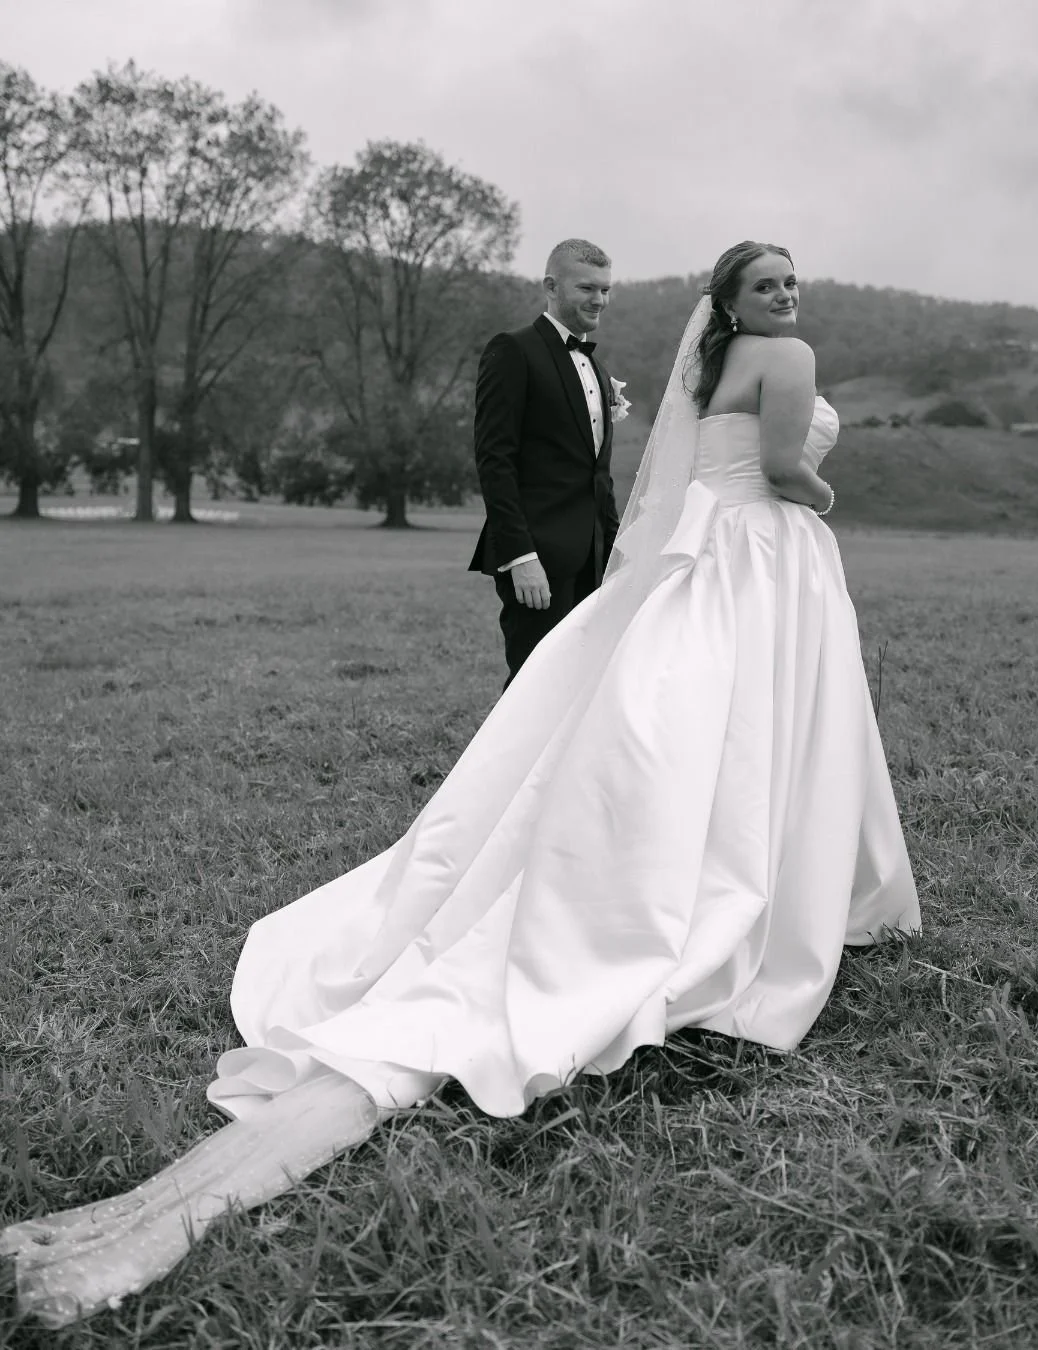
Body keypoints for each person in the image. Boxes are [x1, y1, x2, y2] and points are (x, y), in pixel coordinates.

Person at [1, 241, 920, 1328]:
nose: (786, 296)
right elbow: (782, 472)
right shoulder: (782, 356)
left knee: (675, 728)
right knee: (744, 730)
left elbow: (687, 470)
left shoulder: (709, 366)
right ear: (730, 301)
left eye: (790, 282)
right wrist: (825, 490)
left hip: (695, 564)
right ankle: (747, 884)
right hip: (760, 560)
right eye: (766, 283)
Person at [469, 238, 622, 686]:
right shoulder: (513, 350)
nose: (600, 300)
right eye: (587, 288)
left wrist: (614, 553)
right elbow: (495, 460)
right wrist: (520, 556)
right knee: (532, 688)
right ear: (551, 287)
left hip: (592, 559)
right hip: (536, 557)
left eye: (606, 290)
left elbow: (598, 475)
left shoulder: (597, 369)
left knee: (580, 686)